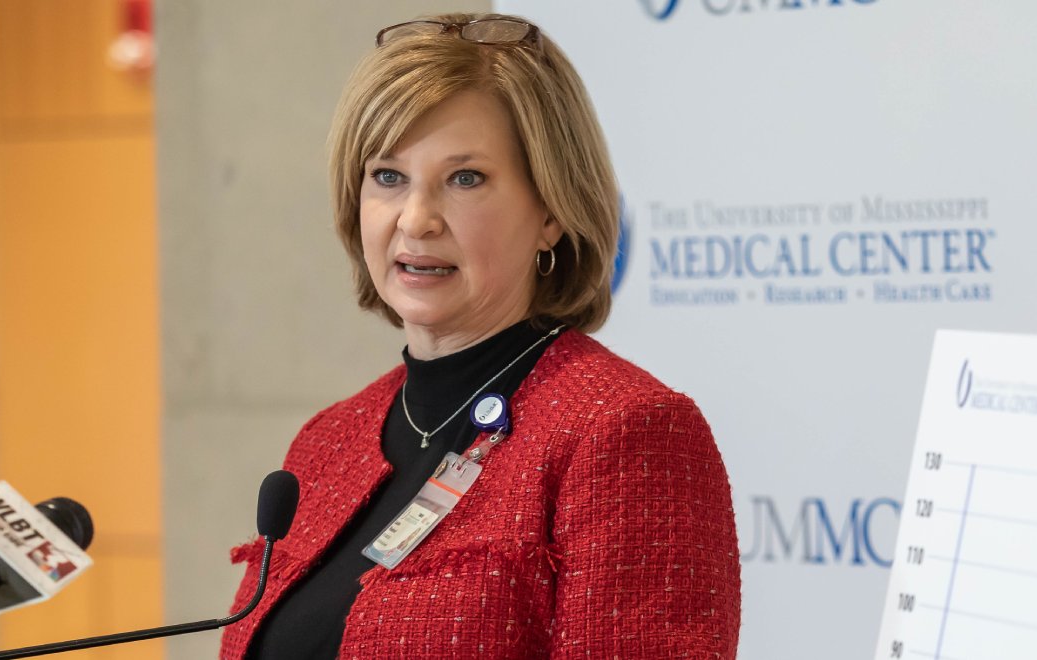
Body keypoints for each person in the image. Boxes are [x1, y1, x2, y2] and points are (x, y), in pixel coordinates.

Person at [219, 13, 741, 659]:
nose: (416, 219)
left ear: (551, 210)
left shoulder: (622, 431)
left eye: (465, 179)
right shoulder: (326, 444)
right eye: (388, 176)